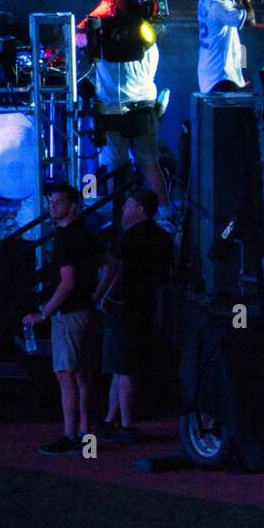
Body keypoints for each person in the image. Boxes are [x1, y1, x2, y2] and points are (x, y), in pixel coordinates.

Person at [23, 184, 106, 456]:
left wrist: (44, 312)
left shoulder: (66, 239)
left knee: (66, 374)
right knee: (83, 375)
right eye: (51, 201)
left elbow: (67, 282)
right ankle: (86, 432)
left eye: (57, 202)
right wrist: (96, 295)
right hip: (84, 311)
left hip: (69, 315)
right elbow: (113, 265)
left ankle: (71, 435)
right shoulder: (86, 235)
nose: (52, 206)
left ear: (72, 206)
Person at [94, 189, 171, 443]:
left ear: (139, 208)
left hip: (124, 308)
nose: (124, 209)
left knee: (123, 367)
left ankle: (126, 424)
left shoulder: (128, 239)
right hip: (146, 307)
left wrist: (104, 296)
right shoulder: (163, 237)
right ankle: (110, 419)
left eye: (128, 204)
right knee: (123, 365)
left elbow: (118, 269)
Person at [89, 0, 170, 217]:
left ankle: (117, 216)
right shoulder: (148, 38)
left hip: (112, 112)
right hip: (143, 109)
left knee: (115, 168)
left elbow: (78, 36)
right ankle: (165, 214)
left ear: (113, 7)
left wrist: (101, 11)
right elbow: (152, 70)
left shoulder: (101, 37)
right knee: (149, 164)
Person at [197, 0, 254, 93]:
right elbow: (250, 18)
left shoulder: (204, 0)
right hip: (222, 77)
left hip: (209, 75)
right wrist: (245, 0)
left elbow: (230, 6)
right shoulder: (218, 7)